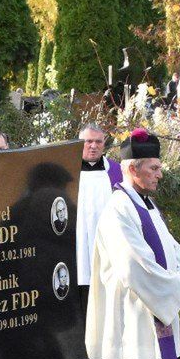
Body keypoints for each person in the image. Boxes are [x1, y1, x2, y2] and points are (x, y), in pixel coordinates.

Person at [85, 129, 180, 359]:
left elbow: (175, 249)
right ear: (132, 169)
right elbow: (135, 266)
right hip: (133, 325)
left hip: (154, 313)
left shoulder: (147, 205)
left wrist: (177, 279)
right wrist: (175, 287)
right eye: (154, 168)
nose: (160, 174)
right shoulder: (119, 208)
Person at [73, 125, 122, 302]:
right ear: (80, 143)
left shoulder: (116, 172)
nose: (93, 146)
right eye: (88, 141)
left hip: (107, 241)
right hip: (75, 242)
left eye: (98, 141)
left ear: (104, 144)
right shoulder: (68, 172)